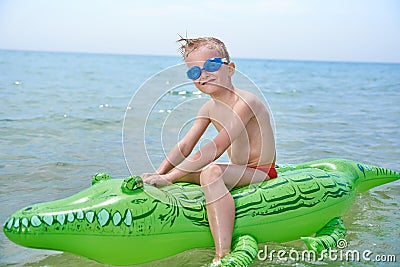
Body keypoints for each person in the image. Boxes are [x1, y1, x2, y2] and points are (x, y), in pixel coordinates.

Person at [141, 37, 277, 265]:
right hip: (237, 170)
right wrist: (160, 173)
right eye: (194, 72)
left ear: (230, 69)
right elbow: (185, 146)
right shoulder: (208, 108)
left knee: (210, 172)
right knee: (182, 172)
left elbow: (218, 146)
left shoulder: (246, 102)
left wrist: (169, 177)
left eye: (211, 65)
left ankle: (222, 253)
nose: (203, 74)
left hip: (260, 171)